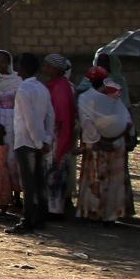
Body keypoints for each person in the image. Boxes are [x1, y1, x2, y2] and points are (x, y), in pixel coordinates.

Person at [8, 53, 55, 234]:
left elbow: (30, 119)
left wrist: (37, 141)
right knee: (39, 181)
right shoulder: (42, 89)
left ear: (24, 68)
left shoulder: (24, 90)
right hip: (39, 141)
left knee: (28, 183)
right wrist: (46, 139)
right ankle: (40, 217)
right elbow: (50, 116)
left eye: (19, 65)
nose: (17, 68)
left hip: (27, 142)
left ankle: (27, 220)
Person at [76, 71, 132, 224]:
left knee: (96, 178)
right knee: (113, 180)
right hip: (116, 144)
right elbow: (127, 120)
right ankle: (111, 213)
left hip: (97, 146)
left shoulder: (85, 98)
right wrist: (114, 137)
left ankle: (94, 211)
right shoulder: (114, 97)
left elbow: (86, 122)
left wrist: (99, 140)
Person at [42, 55, 78, 219]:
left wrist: (62, 141)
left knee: (55, 172)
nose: (44, 69)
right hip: (55, 135)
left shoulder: (61, 89)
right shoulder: (56, 86)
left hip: (58, 137)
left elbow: (63, 117)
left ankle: (55, 210)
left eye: (48, 66)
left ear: (56, 69)